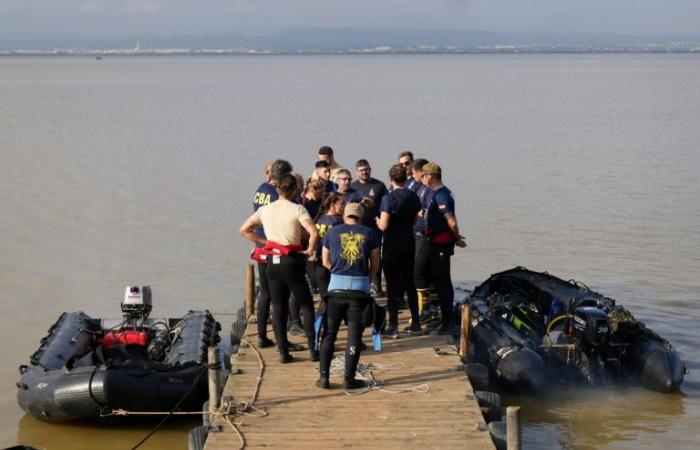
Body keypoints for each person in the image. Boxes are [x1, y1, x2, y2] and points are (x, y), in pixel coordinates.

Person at [240, 172, 320, 363]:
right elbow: (314, 233)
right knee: (307, 305)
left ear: (277, 189)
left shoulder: (265, 210)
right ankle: (313, 351)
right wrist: (309, 250)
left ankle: (283, 353)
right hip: (292, 261)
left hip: (272, 262)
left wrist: (263, 241)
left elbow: (243, 230)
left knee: (278, 306)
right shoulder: (298, 209)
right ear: (294, 190)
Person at [317, 203, 381, 390]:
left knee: (329, 334)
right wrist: (365, 279)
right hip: (359, 290)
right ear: (361, 216)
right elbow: (375, 264)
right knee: (354, 335)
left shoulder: (331, 233)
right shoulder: (370, 233)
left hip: (335, 289)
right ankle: (348, 379)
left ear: (345, 215)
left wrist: (338, 274)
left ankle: (324, 377)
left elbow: (325, 261)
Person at [421, 162, 467, 335]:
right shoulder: (440, 193)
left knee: (442, 282)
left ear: (429, 177)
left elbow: (452, 221)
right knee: (440, 281)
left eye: (424, 176)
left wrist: (456, 238)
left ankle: (447, 322)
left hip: (441, 243)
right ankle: (444, 319)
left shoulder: (441, 195)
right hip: (436, 242)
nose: (423, 179)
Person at [376, 164, 422, 338]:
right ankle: (416, 323)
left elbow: (384, 225)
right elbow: (416, 217)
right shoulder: (413, 196)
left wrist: (377, 220)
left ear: (390, 179)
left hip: (392, 245)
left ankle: (393, 326)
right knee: (409, 283)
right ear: (406, 177)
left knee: (392, 284)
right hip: (409, 243)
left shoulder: (388, 198)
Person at [250, 160, 291, 348]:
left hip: (260, 245)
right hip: (273, 246)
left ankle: (261, 335)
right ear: (282, 176)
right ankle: (282, 339)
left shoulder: (260, 189)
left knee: (265, 293)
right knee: (279, 294)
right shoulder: (277, 195)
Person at [350, 159, 387, 295]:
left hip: (375, 227)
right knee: (359, 255)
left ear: (370, 169)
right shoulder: (352, 187)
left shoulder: (379, 186)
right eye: (361, 170)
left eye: (366, 169)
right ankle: (361, 284)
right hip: (358, 228)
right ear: (357, 172)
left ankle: (378, 285)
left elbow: (386, 206)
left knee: (376, 256)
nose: (364, 172)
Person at [313, 193, 345, 297]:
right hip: (334, 264)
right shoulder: (339, 221)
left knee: (325, 297)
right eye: (342, 203)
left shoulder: (318, 219)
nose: (344, 206)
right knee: (337, 297)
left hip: (318, 263)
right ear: (332, 205)